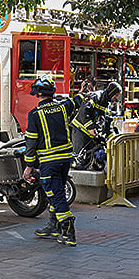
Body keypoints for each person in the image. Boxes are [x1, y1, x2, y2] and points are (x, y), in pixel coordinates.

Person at [23, 75, 85, 246]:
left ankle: (68, 231)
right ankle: (53, 225)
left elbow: (31, 142)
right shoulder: (63, 107)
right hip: (65, 160)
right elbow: (77, 100)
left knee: (56, 195)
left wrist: (29, 166)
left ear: (37, 93)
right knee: (57, 192)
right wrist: (82, 91)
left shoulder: (34, 115)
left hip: (49, 162)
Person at [71, 82, 122, 169]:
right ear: (112, 92)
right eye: (116, 95)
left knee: (89, 159)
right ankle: (74, 178)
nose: (116, 97)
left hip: (92, 134)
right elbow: (84, 112)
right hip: (80, 130)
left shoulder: (107, 105)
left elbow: (107, 124)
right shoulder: (95, 96)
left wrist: (113, 138)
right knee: (78, 159)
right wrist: (91, 127)